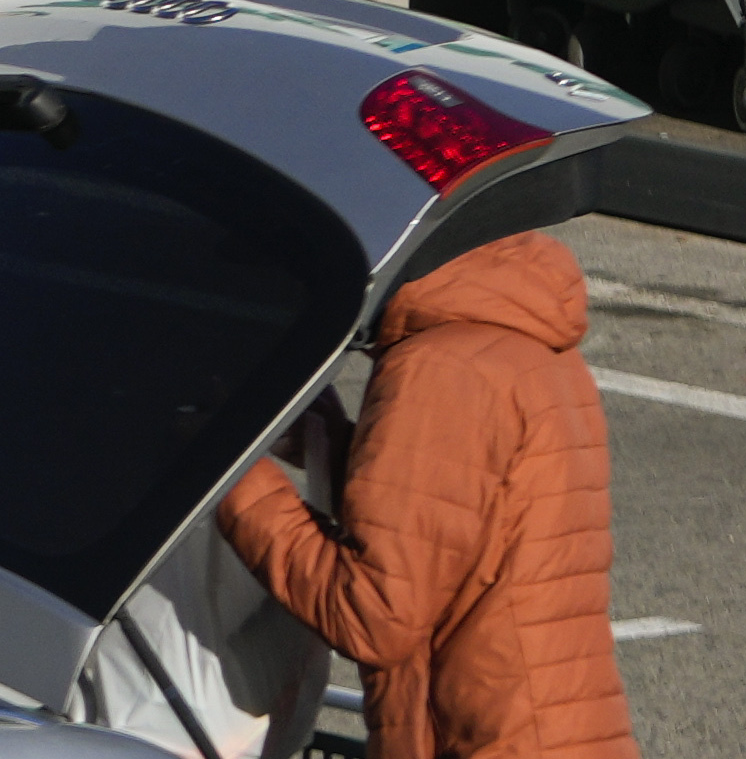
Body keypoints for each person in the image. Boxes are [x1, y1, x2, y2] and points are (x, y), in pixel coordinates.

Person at [208, 228, 632, 759]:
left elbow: (374, 616)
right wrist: (337, 447)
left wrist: (232, 473)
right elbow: (446, 531)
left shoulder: (440, 368)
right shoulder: (519, 344)